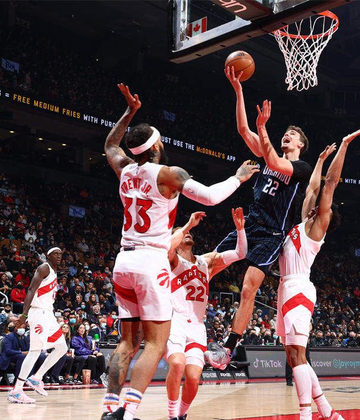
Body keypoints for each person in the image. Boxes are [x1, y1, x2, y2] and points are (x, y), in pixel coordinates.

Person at [100, 84, 257, 420]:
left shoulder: (124, 168)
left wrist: (129, 112)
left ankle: (109, 407)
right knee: (156, 343)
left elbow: (111, 144)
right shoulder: (170, 175)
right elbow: (211, 197)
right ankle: (128, 412)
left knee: (127, 343)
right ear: (157, 145)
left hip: (123, 260)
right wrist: (238, 178)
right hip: (150, 260)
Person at [207, 71, 314, 369]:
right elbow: (243, 129)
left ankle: (228, 349)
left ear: (300, 144)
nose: (287, 135)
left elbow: (275, 163)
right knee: (209, 265)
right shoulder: (268, 151)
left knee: (248, 287)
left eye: (292, 135)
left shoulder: (301, 167)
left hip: (272, 234)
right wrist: (238, 90)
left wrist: (264, 128)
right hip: (250, 224)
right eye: (286, 132)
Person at [271, 113, 360, 420]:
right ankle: (328, 411)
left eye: (321, 206)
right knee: (292, 355)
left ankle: (306, 415)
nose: (314, 203)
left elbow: (328, 185)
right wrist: (320, 160)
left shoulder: (316, 228)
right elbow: (313, 186)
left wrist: (344, 146)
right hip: (285, 287)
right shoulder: (303, 222)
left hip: (298, 287)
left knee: (298, 355)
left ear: (326, 215)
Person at [163, 208, 247, 420]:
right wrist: (187, 225)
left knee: (193, 378)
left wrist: (240, 230)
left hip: (197, 326)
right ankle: (172, 415)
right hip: (175, 321)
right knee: (177, 363)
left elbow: (240, 253)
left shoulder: (205, 262)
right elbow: (167, 246)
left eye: (188, 233)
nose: (187, 234)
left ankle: (181, 414)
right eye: (181, 233)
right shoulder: (171, 260)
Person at [9, 247, 68, 404]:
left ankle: (36, 378)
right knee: (35, 352)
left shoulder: (54, 272)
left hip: (48, 313)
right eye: (55, 254)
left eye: (60, 254)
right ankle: (16, 391)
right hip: (38, 313)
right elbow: (31, 290)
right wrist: (24, 314)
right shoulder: (44, 268)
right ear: (48, 256)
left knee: (62, 347)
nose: (58, 256)